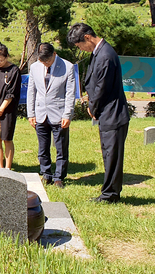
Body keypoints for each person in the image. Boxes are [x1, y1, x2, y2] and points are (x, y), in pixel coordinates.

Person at [68, 23, 131, 203]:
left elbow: (102, 87)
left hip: (113, 113)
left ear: (87, 37)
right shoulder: (99, 51)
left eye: (80, 45)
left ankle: (110, 195)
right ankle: (109, 192)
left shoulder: (105, 55)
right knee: (108, 153)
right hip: (107, 113)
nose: (81, 49)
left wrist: (92, 107)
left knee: (112, 156)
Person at [27, 43, 76, 189]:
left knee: (60, 147)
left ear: (54, 54)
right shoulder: (35, 67)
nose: (45, 64)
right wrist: (31, 113)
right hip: (40, 113)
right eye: (42, 62)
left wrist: (67, 114)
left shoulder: (68, 67)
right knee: (43, 148)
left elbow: (70, 93)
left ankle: (59, 177)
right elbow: (32, 91)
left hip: (59, 113)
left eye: (47, 61)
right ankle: (46, 174)